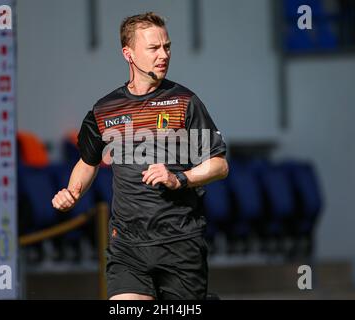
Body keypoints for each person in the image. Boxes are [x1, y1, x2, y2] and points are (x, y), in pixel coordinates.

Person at [52, 12, 229, 300]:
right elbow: (88, 163)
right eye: (154, 48)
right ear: (128, 54)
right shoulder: (104, 110)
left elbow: (219, 165)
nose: (164, 55)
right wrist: (73, 192)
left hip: (179, 243)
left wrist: (179, 178)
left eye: (167, 47)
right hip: (127, 247)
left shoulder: (186, 102)